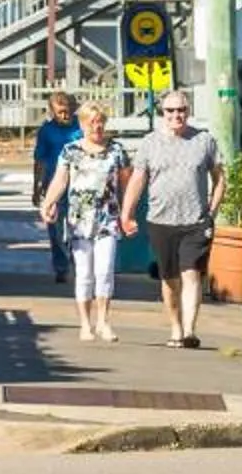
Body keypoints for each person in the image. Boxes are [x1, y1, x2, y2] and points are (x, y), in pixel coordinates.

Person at [124, 91, 226, 348]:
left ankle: (190, 331)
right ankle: (176, 327)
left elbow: (219, 179)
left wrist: (211, 212)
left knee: (191, 273)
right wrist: (127, 213)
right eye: (170, 111)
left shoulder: (204, 141)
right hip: (161, 220)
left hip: (196, 221)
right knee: (170, 279)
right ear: (162, 113)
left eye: (180, 110)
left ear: (188, 111)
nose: (176, 115)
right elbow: (138, 179)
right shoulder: (150, 143)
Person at [35, 101, 132, 342]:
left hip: (107, 218)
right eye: (91, 123)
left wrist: (127, 214)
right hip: (79, 220)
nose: (97, 127)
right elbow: (60, 181)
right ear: (82, 125)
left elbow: (127, 184)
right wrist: (48, 203)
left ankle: (103, 322)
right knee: (85, 273)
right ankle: (85, 324)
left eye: (100, 122)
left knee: (105, 270)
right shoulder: (71, 151)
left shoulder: (117, 151)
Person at [31, 91, 81, 283]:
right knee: (55, 228)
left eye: (67, 111)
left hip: (79, 184)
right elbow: (40, 160)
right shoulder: (47, 130)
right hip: (54, 184)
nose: (64, 115)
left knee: (78, 227)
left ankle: (80, 262)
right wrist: (37, 187)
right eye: (60, 112)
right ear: (52, 111)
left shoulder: (82, 126)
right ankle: (61, 266)